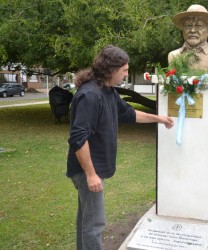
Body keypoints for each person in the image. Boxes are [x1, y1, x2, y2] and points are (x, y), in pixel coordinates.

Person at [66, 45, 173, 250]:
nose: (126, 74)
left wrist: (158, 118)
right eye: (124, 70)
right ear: (111, 69)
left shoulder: (108, 91)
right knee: (95, 223)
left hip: (93, 168)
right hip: (87, 168)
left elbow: (128, 113)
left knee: (86, 219)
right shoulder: (89, 95)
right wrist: (90, 174)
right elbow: (79, 138)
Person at [168, 4, 208, 72]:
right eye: (188, 25)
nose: (192, 30)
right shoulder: (173, 56)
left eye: (199, 26)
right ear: (183, 29)